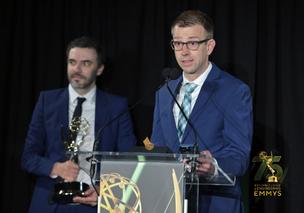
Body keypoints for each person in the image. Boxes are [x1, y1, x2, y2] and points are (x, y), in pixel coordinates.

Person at [151, 10, 253, 213]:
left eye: (193, 43)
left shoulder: (234, 91)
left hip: (215, 203)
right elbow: (157, 149)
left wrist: (213, 166)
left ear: (210, 46)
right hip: (169, 202)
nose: (184, 51)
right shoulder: (164, 92)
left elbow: (239, 157)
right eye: (178, 43)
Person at [22, 36, 137, 213]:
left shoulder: (117, 107)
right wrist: (55, 168)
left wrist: (104, 190)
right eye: (72, 62)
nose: (77, 69)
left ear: (99, 69)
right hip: (50, 204)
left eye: (86, 63)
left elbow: (128, 159)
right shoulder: (47, 101)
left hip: (95, 203)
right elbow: (28, 157)